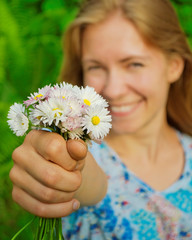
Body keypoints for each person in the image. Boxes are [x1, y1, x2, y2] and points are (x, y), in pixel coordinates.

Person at [9, 0, 192, 239]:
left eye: (134, 64)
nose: (113, 90)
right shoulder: (86, 153)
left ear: (174, 66)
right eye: (95, 67)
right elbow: (85, 178)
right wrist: (67, 167)